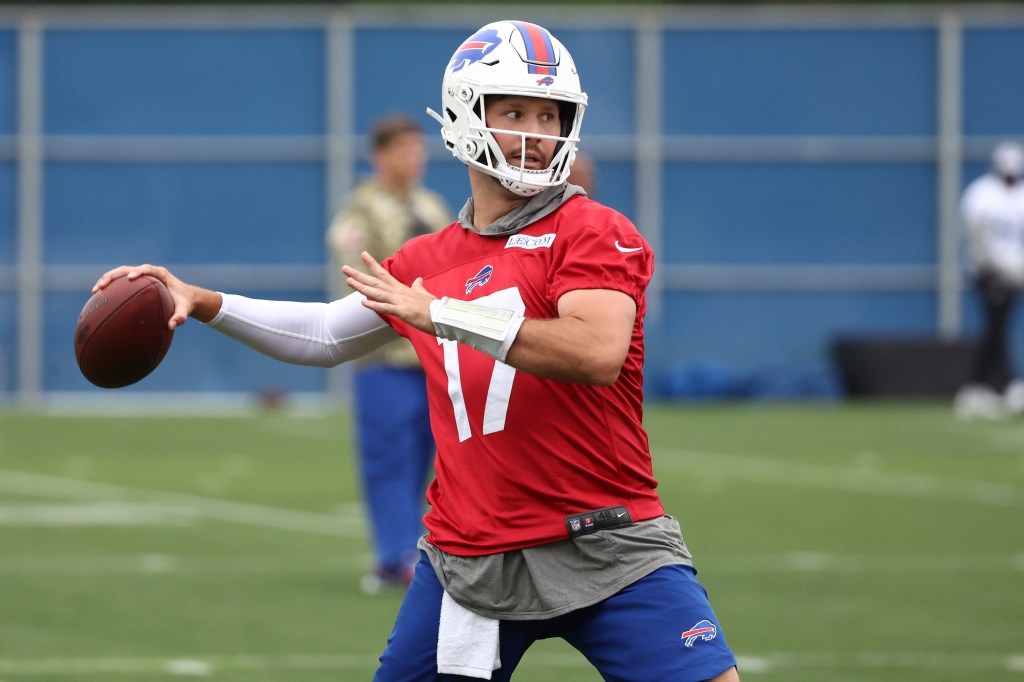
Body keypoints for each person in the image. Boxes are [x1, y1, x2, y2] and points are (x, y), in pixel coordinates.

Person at [93, 20, 740, 682]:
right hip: (473, 559)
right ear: (464, 114)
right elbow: (323, 335)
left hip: (607, 543)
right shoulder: (427, 257)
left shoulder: (592, 229)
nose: (534, 131)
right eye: (513, 111)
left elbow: (596, 349)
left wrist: (443, 313)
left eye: (549, 115)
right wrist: (205, 302)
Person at [326, 113, 450, 592]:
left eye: (417, 148)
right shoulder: (361, 209)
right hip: (387, 358)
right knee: (388, 458)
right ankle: (393, 553)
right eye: (402, 149)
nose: (413, 158)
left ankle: (419, 548)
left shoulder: (434, 206)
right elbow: (353, 271)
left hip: (434, 355)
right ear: (380, 156)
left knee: (430, 458)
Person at [955, 140, 1024, 420]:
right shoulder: (982, 193)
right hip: (990, 271)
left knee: (1001, 328)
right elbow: (976, 232)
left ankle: (995, 384)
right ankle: (987, 385)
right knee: (995, 326)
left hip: (1018, 271)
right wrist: (992, 265)